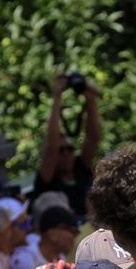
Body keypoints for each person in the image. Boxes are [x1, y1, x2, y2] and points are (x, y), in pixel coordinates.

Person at [31, 73, 103, 215]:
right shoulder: (47, 179)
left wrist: (91, 99)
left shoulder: (79, 168)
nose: (66, 154)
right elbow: (51, 147)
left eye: (69, 149)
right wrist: (57, 97)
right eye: (61, 150)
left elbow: (93, 139)